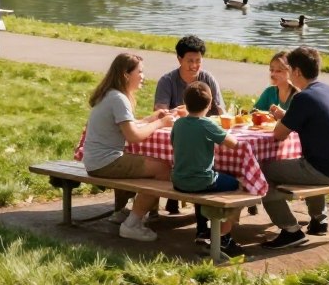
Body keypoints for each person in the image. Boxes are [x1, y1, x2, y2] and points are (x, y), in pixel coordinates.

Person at [259, 46, 329, 249]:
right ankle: (319, 220)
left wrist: (281, 120)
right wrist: (286, 117)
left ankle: (290, 230)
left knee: (260, 171)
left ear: (296, 72)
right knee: (310, 159)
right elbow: (309, 121)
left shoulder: (303, 98)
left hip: (324, 170)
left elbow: (278, 134)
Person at [81, 52, 174, 242]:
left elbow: (127, 125)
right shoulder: (119, 99)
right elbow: (133, 137)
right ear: (126, 74)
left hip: (95, 161)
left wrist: (151, 118)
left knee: (155, 166)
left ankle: (132, 213)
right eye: (140, 72)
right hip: (106, 162)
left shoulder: (110, 94)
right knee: (164, 168)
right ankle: (133, 223)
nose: (143, 76)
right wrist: (160, 124)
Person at [153, 34, 225, 220]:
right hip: (177, 133)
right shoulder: (167, 81)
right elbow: (160, 112)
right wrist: (178, 113)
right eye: (190, 61)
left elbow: (220, 111)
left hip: (205, 132)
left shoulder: (208, 79)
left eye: (198, 61)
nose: (194, 65)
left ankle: (203, 211)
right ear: (179, 59)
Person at [171, 82, 245, 258]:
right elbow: (233, 144)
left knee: (200, 182)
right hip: (202, 180)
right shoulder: (206, 124)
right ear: (210, 104)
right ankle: (223, 235)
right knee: (241, 187)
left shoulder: (178, 124)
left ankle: (202, 231)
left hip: (178, 181)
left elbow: (173, 143)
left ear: (185, 103)